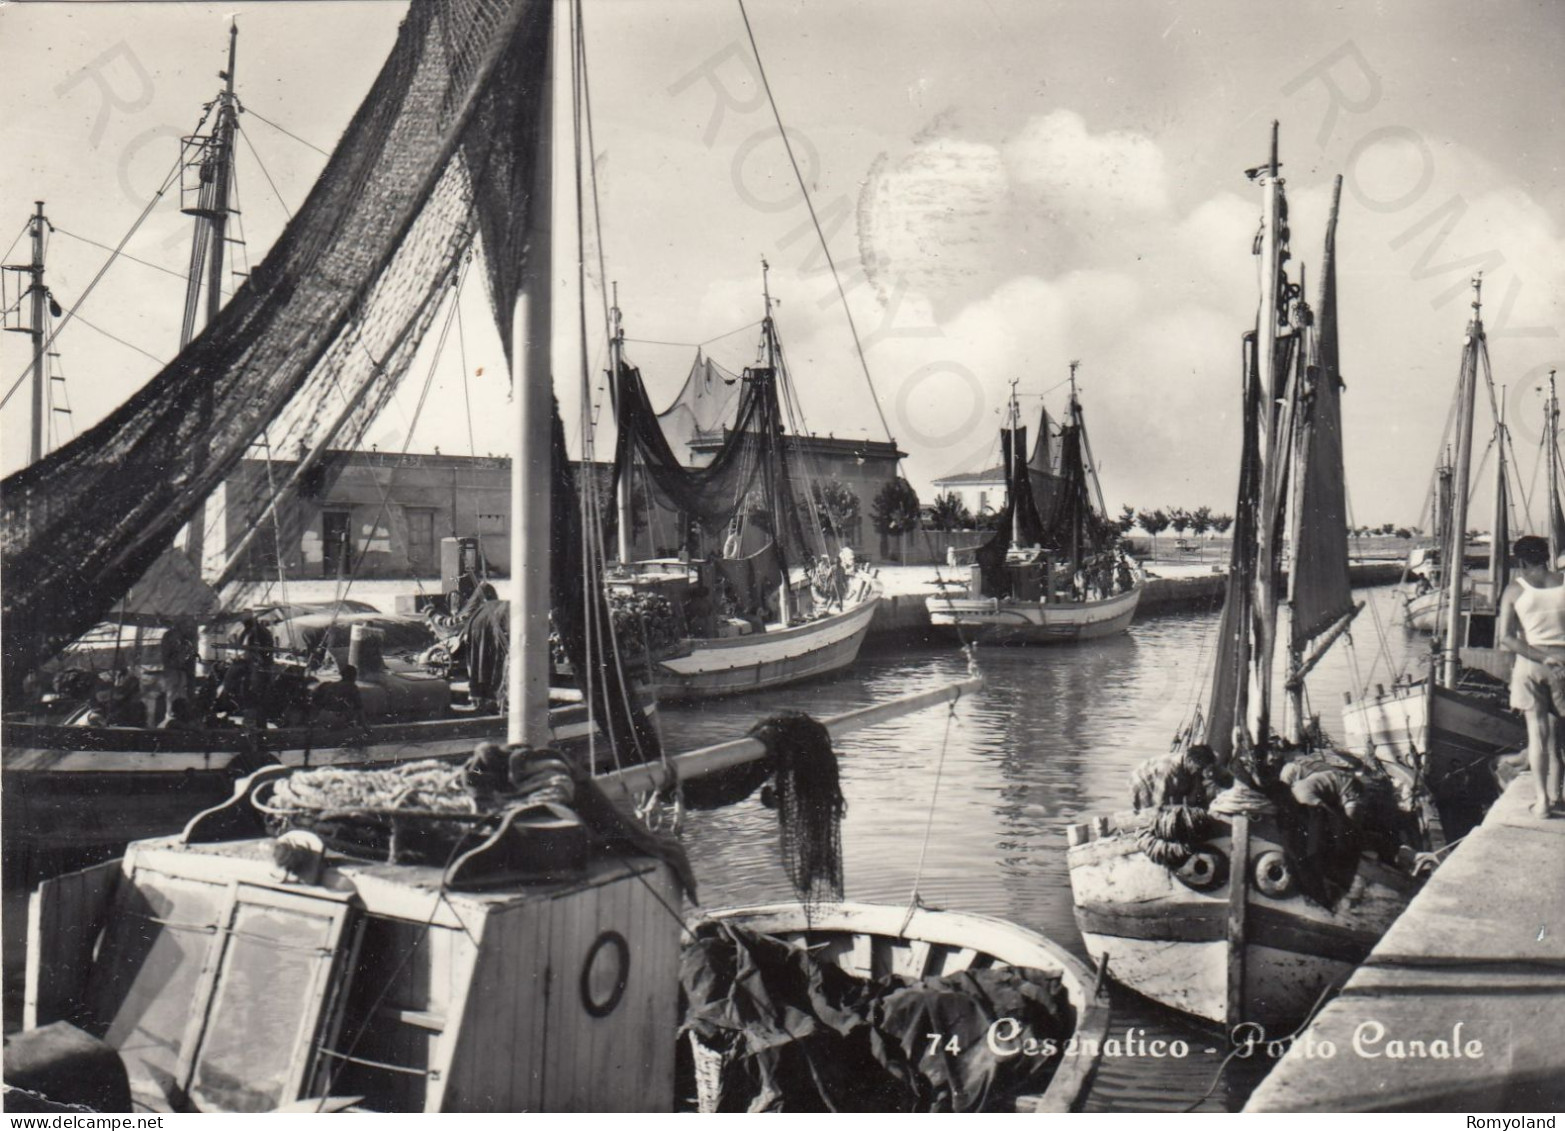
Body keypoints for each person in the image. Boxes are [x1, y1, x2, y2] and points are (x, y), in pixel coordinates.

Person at [1497, 535, 1565, 817]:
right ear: (1547, 556)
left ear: (1521, 561)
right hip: (1563, 665)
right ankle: (1557, 793)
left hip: (1531, 665)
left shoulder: (1514, 590)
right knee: (1558, 740)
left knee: (1537, 736)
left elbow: (1507, 639)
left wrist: (1540, 656)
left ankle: (1542, 802)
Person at [1130, 745, 1218, 811]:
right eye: (1199, 769)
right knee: (1149, 812)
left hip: (1171, 775)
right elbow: (1159, 804)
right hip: (1142, 781)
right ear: (1189, 761)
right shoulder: (1168, 770)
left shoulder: (1192, 767)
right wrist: (1182, 808)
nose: (1200, 772)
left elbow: (1194, 796)